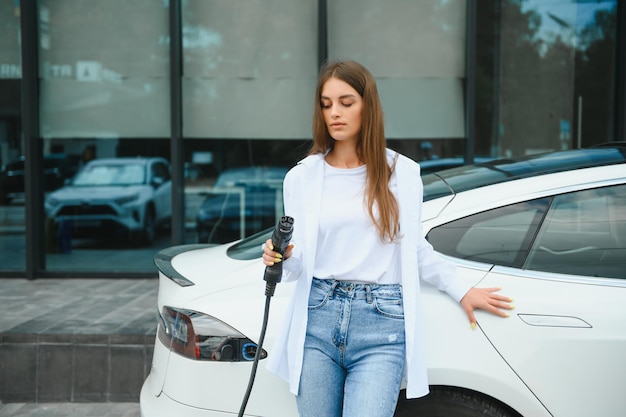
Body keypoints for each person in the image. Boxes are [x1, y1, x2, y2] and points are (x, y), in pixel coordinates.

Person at [262, 59, 513, 417]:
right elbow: (298, 261)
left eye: (346, 102)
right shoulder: (302, 177)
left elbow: (414, 249)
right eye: (326, 103)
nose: (335, 112)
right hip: (317, 316)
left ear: (368, 105)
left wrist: (461, 289)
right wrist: (281, 256)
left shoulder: (402, 173)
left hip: (381, 324)